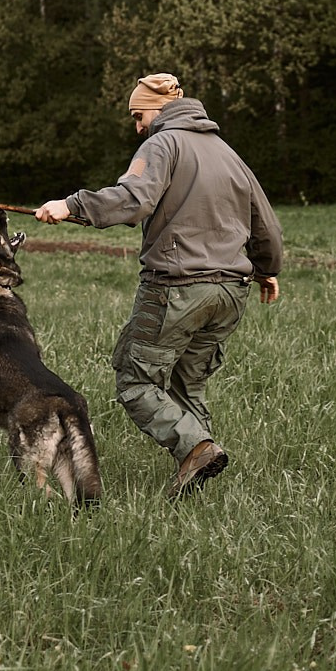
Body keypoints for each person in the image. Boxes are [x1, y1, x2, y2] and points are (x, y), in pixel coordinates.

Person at [35, 73, 283, 498]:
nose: (136, 126)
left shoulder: (162, 143)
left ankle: (197, 447)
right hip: (231, 292)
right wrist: (267, 267)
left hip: (178, 286)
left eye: (138, 115)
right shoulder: (227, 153)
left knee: (136, 381)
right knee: (189, 384)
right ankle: (197, 477)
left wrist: (71, 204)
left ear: (158, 109)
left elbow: (135, 199)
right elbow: (265, 222)